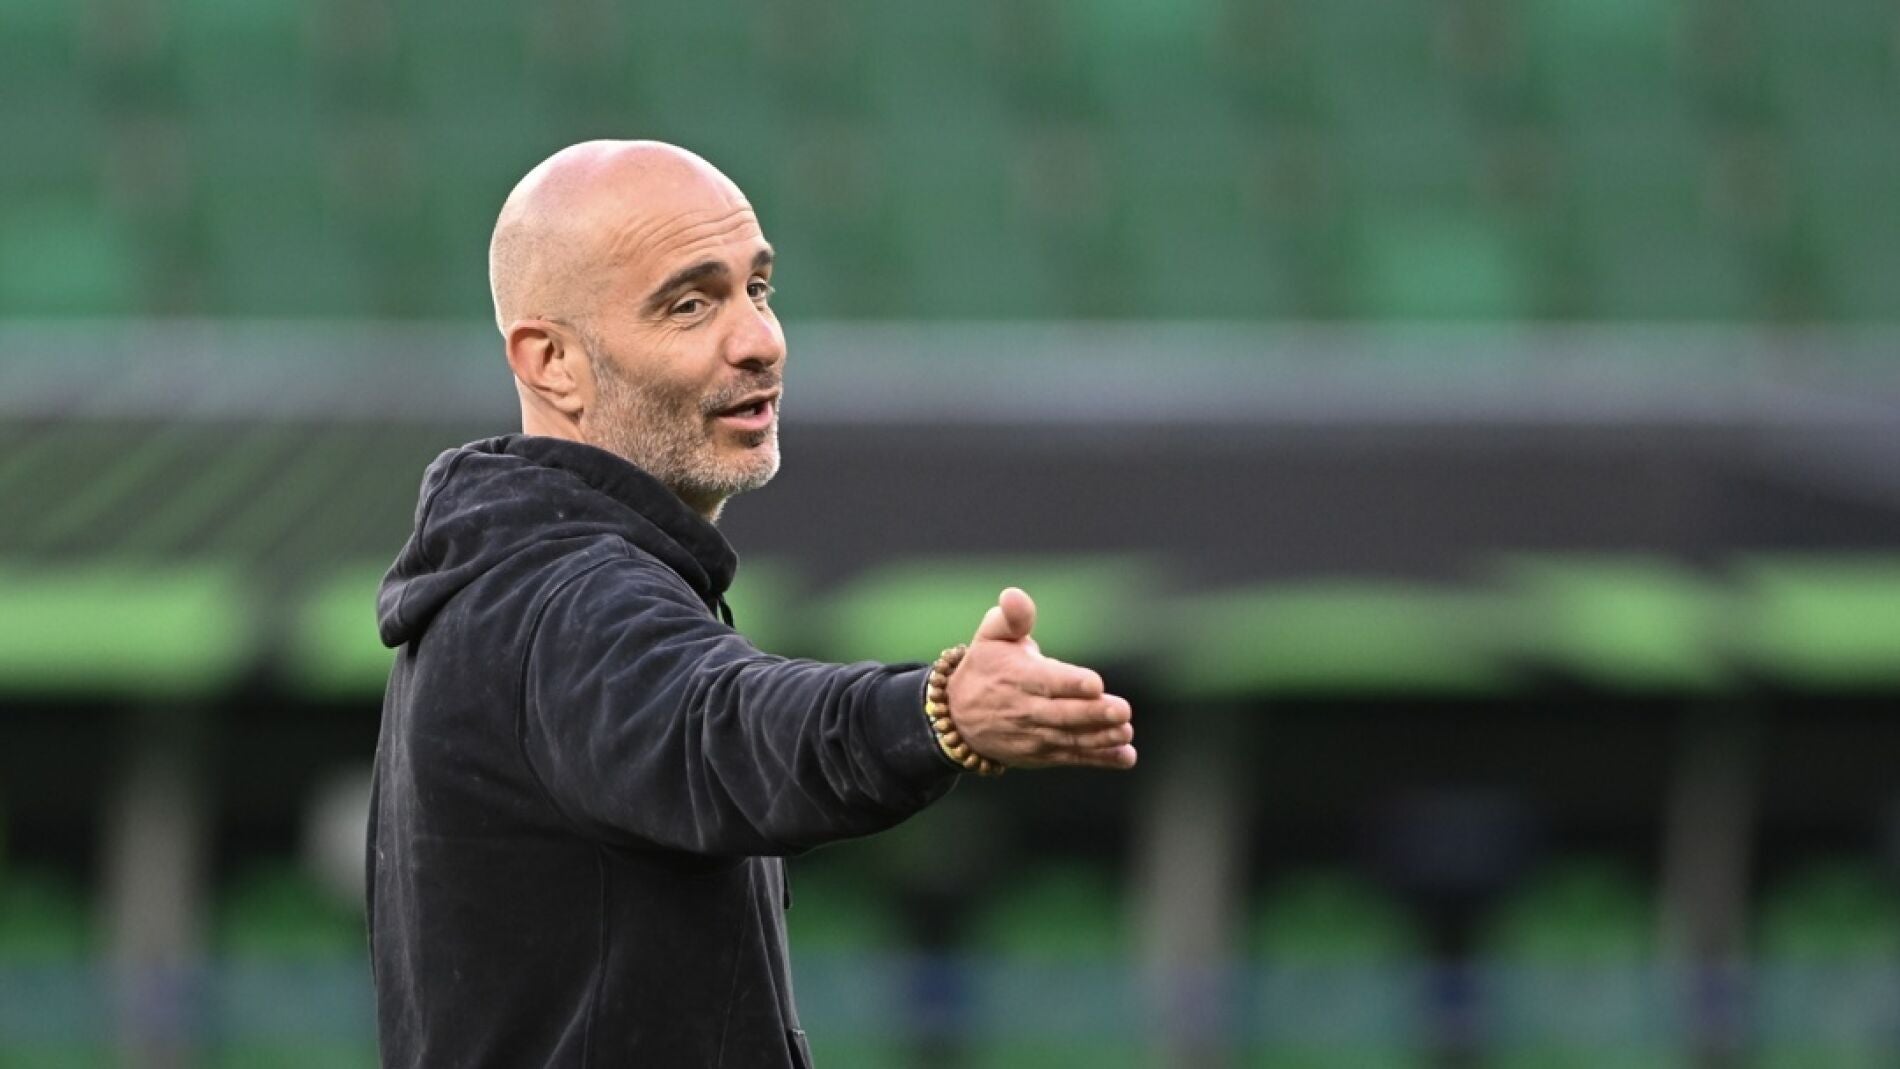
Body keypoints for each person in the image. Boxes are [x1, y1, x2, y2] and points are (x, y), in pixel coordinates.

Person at [367, 140, 1138, 1068]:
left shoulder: (512, 581)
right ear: (554, 361)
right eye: (690, 304)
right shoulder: (563, 600)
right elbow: (726, 724)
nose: (761, 340)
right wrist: (937, 709)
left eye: (758, 289)